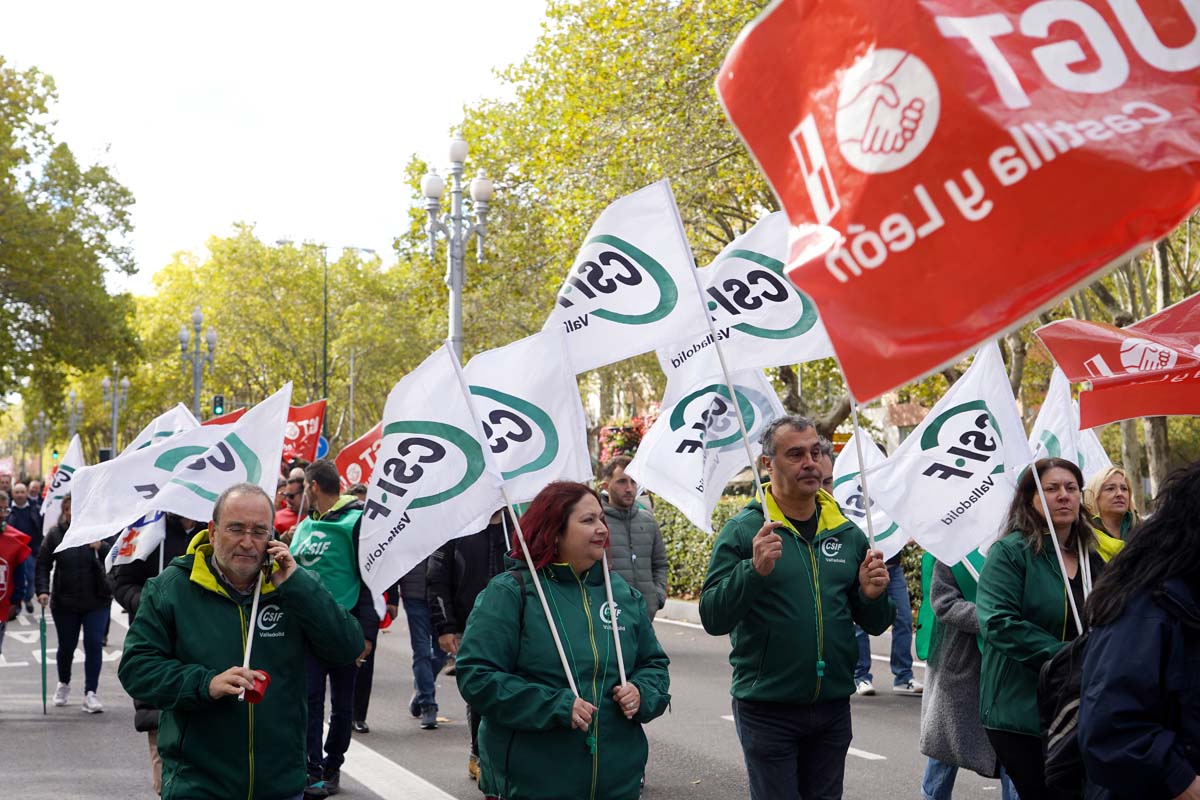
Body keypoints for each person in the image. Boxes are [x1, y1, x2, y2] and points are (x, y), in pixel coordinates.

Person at [118, 483, 364, 800]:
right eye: (236, 529)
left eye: (259, 531)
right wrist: (205, 683)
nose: (247, 542)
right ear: (213, 531)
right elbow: (137, 670)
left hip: (280, 785)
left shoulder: (293, 586)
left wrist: (299, 586)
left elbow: (348, 647)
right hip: (199, 786)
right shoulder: (172, 588)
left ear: (272, 536)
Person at [700, 415, 894, 800]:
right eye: (795, 454)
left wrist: (873, 596)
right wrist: (752, 571)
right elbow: (713, 615)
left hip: (833, 705)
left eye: (816, 452)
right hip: (767, 707)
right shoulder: (745, 531)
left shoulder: (846, 532)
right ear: (767, 465)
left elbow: (875, 623)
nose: (811, 462)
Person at [456, 481, 671, 800]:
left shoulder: (621, 594)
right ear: (554, 530)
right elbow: (477, 677)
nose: (602, 528)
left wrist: (643, 694)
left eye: (601, 518)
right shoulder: (511, 593)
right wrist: (554, 705)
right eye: (588, 520)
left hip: (617, 783)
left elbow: (653, 665)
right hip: (533, 784)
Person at [977, 457, 1112, 800]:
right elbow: (998, 623)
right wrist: (1070, 656)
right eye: (1051, 489)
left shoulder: (1091, 555)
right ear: (1029, 499)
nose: (1064, 496)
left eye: (1071, 488)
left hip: (1082, 704)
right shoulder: (1009, 553)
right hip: (1020, 710)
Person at [1079, 461, 1200, 800]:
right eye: (1110, 488)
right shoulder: (1145, 606)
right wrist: (1183, 781)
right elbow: (1112, 727)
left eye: (1124, 489)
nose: (1119, 495)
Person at [289, 459, 380, 799]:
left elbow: (372, 578)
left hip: (346, 629)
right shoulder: (304, 526)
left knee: (343, 706)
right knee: (310, 701)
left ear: (312, 487)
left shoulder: (357, 521)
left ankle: (332, 764)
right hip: (308, 631)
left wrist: (367, 635)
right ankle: (311, 769)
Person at [110, 513, 202, 795]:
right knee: (163, 747)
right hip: (156, 645)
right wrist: (150, 602)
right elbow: (120, 581)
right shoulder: (144, 528)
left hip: (202, 651)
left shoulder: (214, 528)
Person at [918, 558, 1016, 800]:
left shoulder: (1017, 545)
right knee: (943, 755)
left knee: (1016, 758)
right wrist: (992, 619)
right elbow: (944, 603)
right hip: (960, 668)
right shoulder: (953, 549)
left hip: (1010, 667)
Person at [428, 508, 513, 782]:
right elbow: (437, 578)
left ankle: (507, 754)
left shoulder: (518, 526)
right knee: (480, 693)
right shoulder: (458, 522)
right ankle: (479, 753)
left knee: (512, 690)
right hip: (470, 627)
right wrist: (446, 626)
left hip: (513, 624)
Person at [36, 494, 112, 713]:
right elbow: (42, 564)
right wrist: (42, 590)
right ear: (64, 511)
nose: (73, 513)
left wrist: (101, 546)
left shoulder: (98, 530)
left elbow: (117, 554)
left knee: (93, 644)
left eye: (77, 509)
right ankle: (64, 683)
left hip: (97, 600)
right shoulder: (55, 534)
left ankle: (91, 693)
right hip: (65, 602)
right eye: (69, 509)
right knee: (66, 647)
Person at [599, 456, 668, 621]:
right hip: (609, 619)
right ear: (606, 486)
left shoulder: (648, 520)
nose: (629, 488)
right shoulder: (597, 521)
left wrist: (657, 596)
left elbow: (660, 564)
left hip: (645, 616)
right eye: (622, 481)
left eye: (633, 482)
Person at [400, 558, 446, 729]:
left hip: (441, 595)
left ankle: (421, 687)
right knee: (422, 651)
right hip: (414, 595)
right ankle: (428, 705)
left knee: (442, 652)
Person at [0, 496, 32, 653]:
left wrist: (16, 601)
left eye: (4, 509)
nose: (2, 514)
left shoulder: (13, 540)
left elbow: (20, 574)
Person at [10, 482, 42, 613]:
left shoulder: (35, 509)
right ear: (13, 494)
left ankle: (28, 598)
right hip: (12, 551)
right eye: (17, 492)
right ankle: (16, 604)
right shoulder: (7, 511)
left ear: (26, 493)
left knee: (31, 577)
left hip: (29, 550)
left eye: (22, 492)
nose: (19, 495)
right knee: (13, 579)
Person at [1083, 465, 1140, 541]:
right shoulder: (1083, 535)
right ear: (1094, 495)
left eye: (1124, 489)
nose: (1120, 493)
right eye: (1110, 489)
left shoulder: (1144, 531)